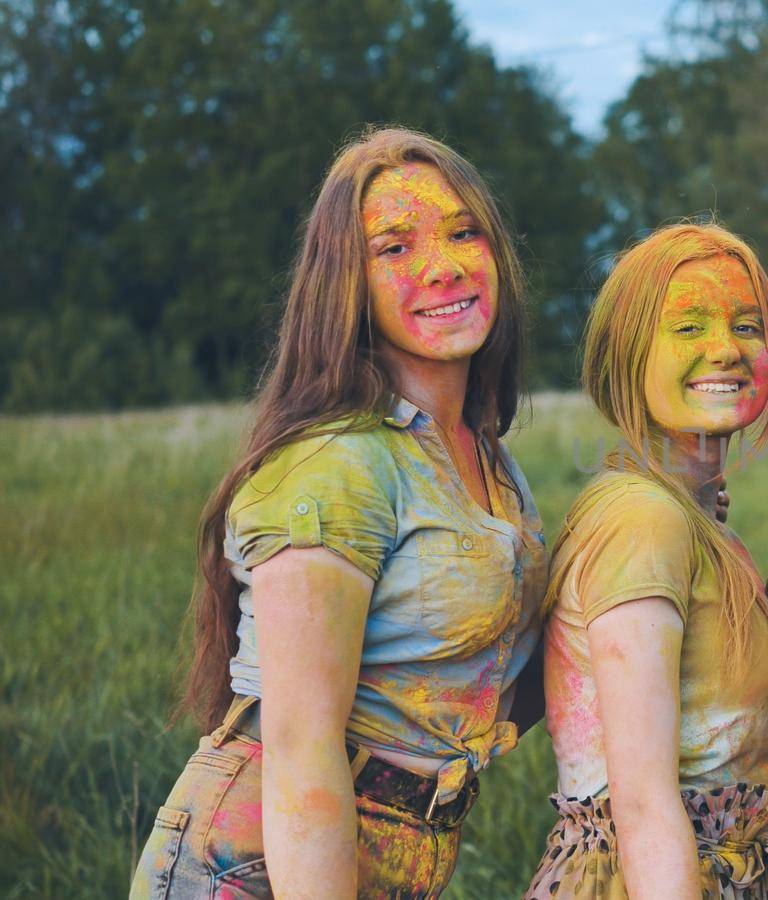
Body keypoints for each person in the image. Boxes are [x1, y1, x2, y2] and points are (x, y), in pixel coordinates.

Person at [130, 127, 548, 899]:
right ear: (344, 283)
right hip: (261, 862)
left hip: (393, 853)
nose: (443, 265)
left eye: (465, 232)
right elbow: (300, 746)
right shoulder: (336, 465)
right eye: (394, 248)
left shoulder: (484, 456)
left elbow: (516, 666)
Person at [524, 223, 768, 899]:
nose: (725, 349)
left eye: (746, 324)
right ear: (627, 354)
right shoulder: (643, 521)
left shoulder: (698, 517)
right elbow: (644, 803)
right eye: (687, 328)